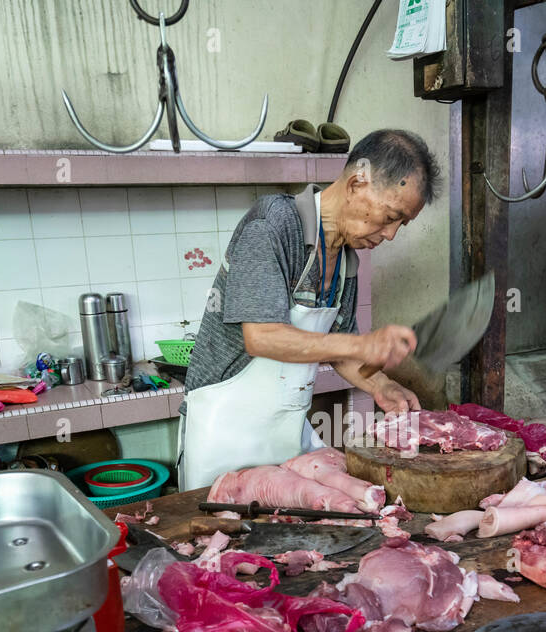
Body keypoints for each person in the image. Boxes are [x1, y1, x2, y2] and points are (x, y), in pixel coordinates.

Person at [177, 128, 440, 490]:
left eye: (403, 223)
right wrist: (364, 346)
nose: (391, 234)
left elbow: (338, 347)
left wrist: (381, 384)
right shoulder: (273, 223)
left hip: (284, 432)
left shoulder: (346, 260)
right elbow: (262, 337)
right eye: (391, 216)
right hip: (224, 434)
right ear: (356, 184)